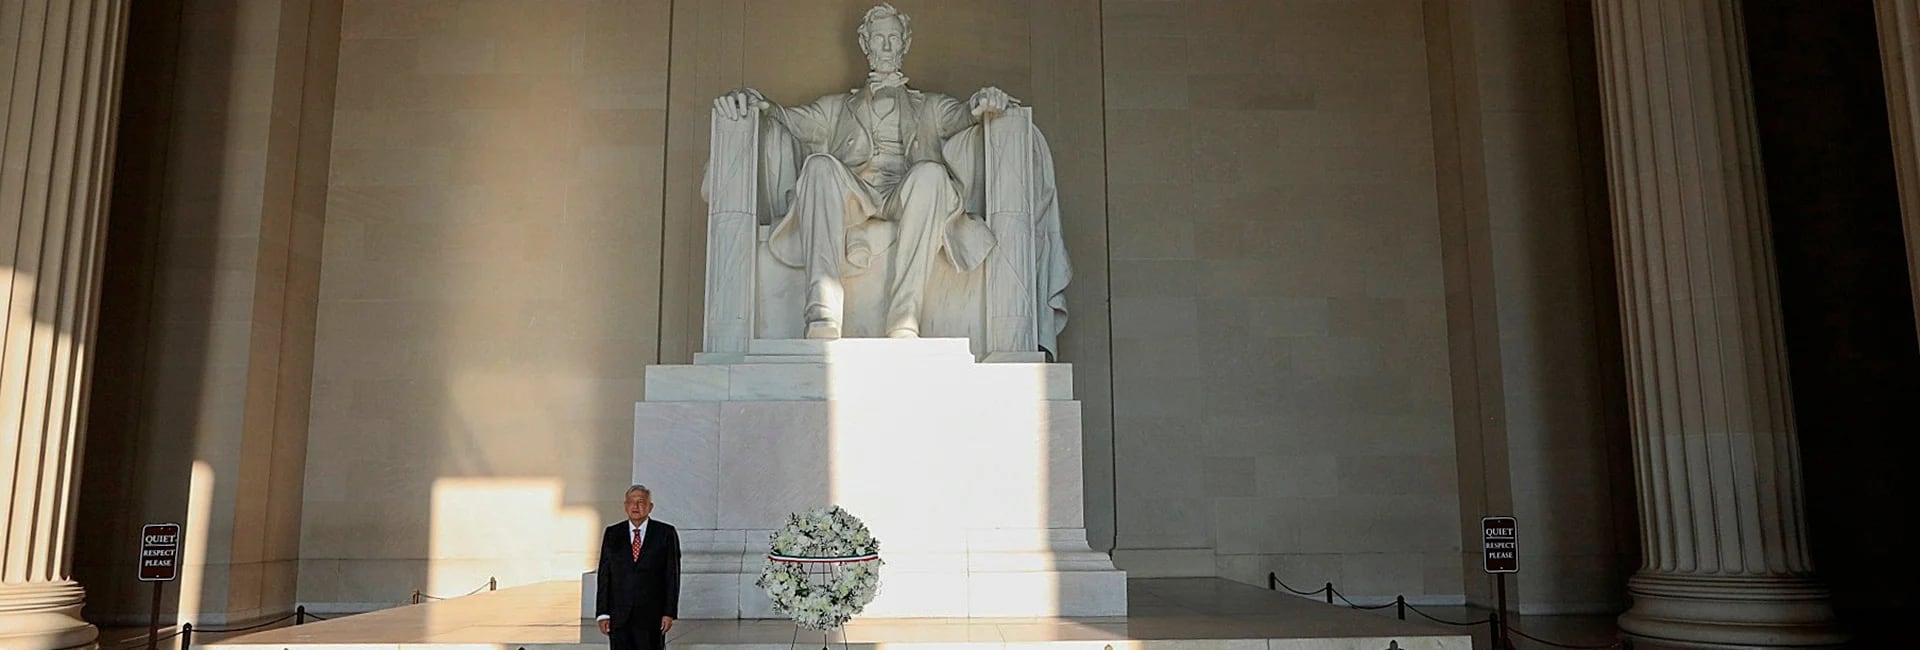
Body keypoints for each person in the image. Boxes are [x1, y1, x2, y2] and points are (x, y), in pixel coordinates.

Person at [714, 3, 1016, 340]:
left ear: (906, 42)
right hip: (855, 193)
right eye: (878, 38)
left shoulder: (930, 106)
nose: (886, 46)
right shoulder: (834, 108)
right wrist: (756, 101)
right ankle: (822, 309)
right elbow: (787, 118)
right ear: (864, 44)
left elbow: (964, 114)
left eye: (893, 38)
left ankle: (905, 316)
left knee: (931, 173)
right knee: (819, 166)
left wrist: (985, 101)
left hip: (907, 193)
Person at [596, 485, 680, 650]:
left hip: (651, 615)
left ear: (650, 507)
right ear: (625, 506)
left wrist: (669, 612)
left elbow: (672, 575)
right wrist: (603, 613)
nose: (636, 506)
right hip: (619, 615)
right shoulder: (613, 533)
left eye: (641, 502)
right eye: (631, 502)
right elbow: (605, 575)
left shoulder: (665, 533)